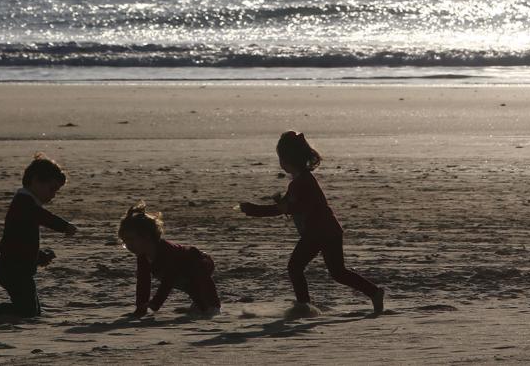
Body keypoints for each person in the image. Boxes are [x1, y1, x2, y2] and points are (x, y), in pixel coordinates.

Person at [239, 130, 384, 316]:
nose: (280, 163)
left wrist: (256, 210)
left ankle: (303, 306)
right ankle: (374, 292)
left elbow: (290, 208)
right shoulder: (301, 181)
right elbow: (286, 207)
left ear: (288, 160)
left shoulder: (302, 182)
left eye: (281, 159)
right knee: (337, 272)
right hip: (328, 231)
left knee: (296, 267)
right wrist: (258, 209)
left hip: (318, 233)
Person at [0, 153, 78, 317]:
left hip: (19, 268)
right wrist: (64, 226)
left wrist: (40, 257)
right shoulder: (23, 203)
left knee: (32, 309)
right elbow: (42, 216)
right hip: (13, 269)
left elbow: (22, 241)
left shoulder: (26, 203)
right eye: (52, 189)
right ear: (35, 181)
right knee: (27, 311)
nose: (53, 195)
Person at [118, 202, 220, 318]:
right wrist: (140, 308)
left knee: (194, 279)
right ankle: (200, 305)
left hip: (200, 261)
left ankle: (212, 306)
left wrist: (156, 303)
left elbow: (168, 281)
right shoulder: (142, 256)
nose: (128, 244)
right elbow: (143, 282)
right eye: (124, 241)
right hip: (179, 274)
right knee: (187, 284)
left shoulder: (167, 251)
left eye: (131, 239)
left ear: (146, 236)